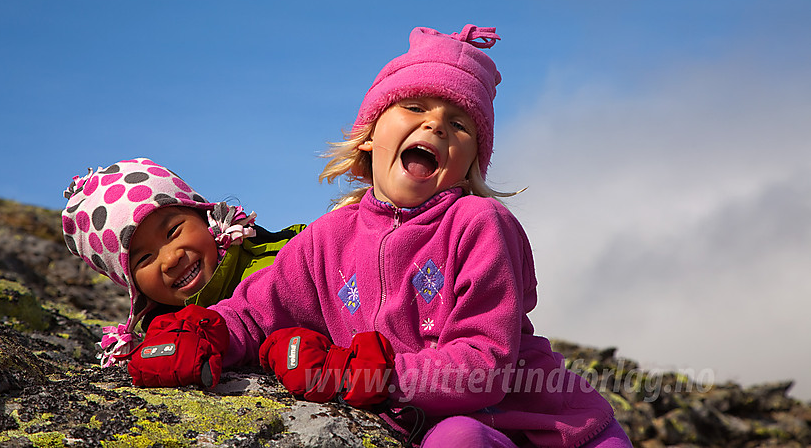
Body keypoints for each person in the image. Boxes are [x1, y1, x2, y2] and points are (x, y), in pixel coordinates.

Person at [128, 26, 632, 447]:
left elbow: (485, 364)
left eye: (459, 124)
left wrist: (374, 375)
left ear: (470, 163)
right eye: (414, 107)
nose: (436, 124)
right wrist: (204, 333)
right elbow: (257, 311)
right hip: (452, 431)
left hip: (562, 431)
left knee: (456, 438)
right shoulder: (329, 239)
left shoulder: (479, 224)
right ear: (370, 133)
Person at [61, 157, 304, 368]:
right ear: (134, 285)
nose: (170, 258)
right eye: (144, 258)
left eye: (173, 231)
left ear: (202, 216)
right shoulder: (168, 338)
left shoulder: (286, 260)